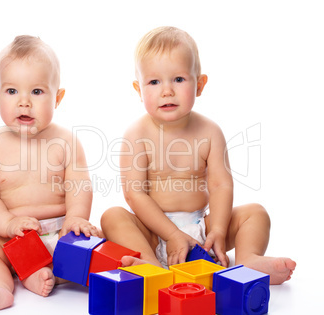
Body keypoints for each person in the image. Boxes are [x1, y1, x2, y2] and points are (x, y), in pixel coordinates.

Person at [101, 26, 296, 285]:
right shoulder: (136, 135)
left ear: (200, 84)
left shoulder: (210, 132)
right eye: (154, 82)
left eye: (179, 79)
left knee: (255, 213)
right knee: (112, 216)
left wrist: (217, 229)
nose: (167, 90)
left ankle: (248, 258)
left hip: (201, 228)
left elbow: (220, 185)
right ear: (139, 89)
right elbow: (134, 193)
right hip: (153, 231)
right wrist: (171, 234)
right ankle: (149, 264)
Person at [0, 35, 99, 314]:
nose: (24, 102)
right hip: (11, 237)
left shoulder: (66, 141)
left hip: (60, 232)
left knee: (100, 235)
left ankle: (45, 273)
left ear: (58, 97)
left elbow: (79, 183)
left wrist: (76, 218)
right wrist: (8, 223)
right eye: (12, 91)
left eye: (37, 92)